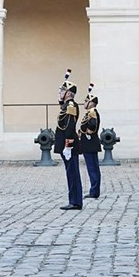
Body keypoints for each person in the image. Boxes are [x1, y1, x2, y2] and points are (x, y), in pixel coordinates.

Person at [55, 70, 82, 210]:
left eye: (62, 91)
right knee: (70, 172)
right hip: (67, 145)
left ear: (69, 94)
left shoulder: (70, 106)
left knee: (72, 173)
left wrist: (68, 145)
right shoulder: (66, 106)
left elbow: (70, 126)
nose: (60, 93)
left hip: (69, 145)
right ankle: (74, 200)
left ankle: (76, 202)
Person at [80, 85, 101, 199]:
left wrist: (88, 133)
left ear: (91, 103)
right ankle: (94, 190)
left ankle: (94, 191)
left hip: (90, 143)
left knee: (92, 168)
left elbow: (92, 124)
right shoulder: (90, 112)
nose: (85, 103)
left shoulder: (92, 112)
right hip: (89, 143)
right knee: (92, 167)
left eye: (86, 101)